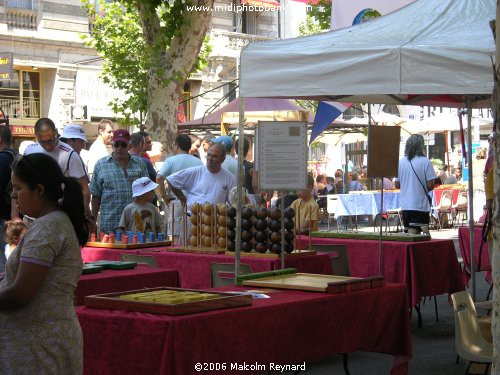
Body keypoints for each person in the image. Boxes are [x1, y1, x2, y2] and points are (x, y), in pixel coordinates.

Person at [0, 153, 88, 373]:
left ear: (39, 190)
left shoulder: (47, 227)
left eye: (18, 188)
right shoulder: (51, 223)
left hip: (39, 349)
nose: (14, 195)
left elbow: (21, 294)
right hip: (42, 343)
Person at [22, 118, 93, 228]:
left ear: (56, 132)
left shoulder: (69, 154)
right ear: (36, 136)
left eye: (51, 140)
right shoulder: (29, 151)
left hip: (57, 217)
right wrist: (14, 215)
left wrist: (85, 213)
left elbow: (83, 188)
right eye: (42, 142)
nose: (47, 145)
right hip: (31, 218)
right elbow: (20, 183)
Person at [90, 129, 149, 234]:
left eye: (123, 145)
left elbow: (147, 192)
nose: (119, 148)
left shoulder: (140, 164)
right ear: (112, 145)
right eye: (116, 144)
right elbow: (96, 195)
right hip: (110, 225)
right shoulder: (101, 165)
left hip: (135, 224)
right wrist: (93, 221)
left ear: (129, 146)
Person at [166, 143, 236, 209]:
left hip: (215, 220)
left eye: (214, 156)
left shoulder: (229, 178)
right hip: (192, 218)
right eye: (209, 155)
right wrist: (182, 198)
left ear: (222, 159)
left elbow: (233, 202)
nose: (210, 159)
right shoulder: (195, 172)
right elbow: (171, 180)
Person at [395, 134, 436, 232]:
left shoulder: (400, 163)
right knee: (419, 235)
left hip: (405, 205)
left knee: (409, 235)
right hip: (420, 205)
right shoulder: (425, 162)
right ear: (421, 146)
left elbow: (397, 184)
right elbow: (430, 185)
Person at [0, 126, 17, 271]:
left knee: (3, 265)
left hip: (3, 220)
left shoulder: (2, 158)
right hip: (12, 218)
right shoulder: (15, 155)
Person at [234, 137, 258, 205]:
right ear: (247, 150)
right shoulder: (251, 167)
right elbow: (255, 185)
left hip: (234, 197)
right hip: (250, 197)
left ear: (236, 150)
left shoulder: (232, 165)